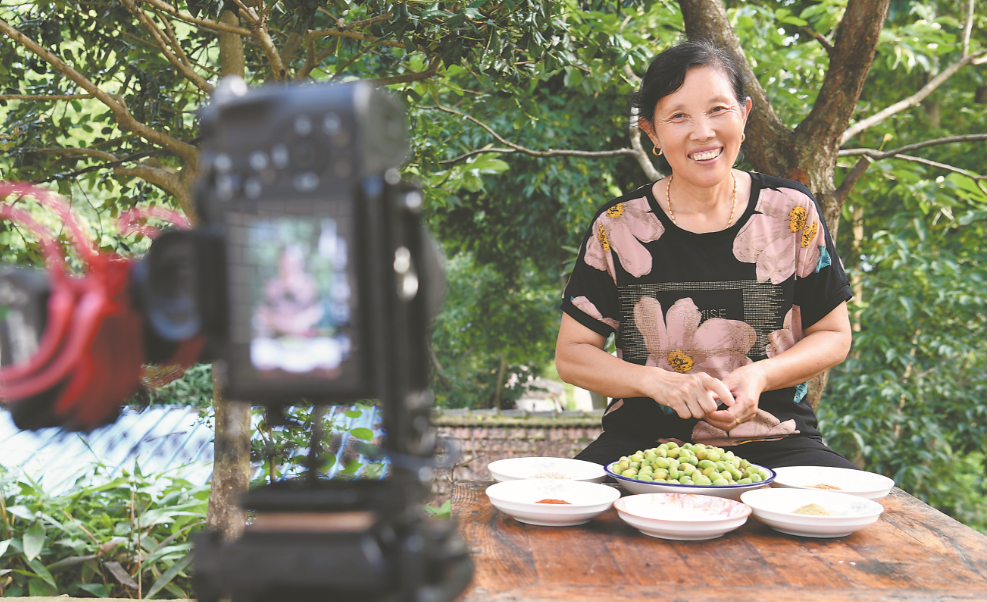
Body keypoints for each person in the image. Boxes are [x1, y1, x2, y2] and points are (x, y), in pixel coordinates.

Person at [555, 38, 857, 470]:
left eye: (718, 109)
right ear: (652, 133)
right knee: (562, 517)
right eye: (678, 116)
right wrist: (658, 383)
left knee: (851, 522)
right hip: (642, 445)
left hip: (778, 439)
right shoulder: (618, 226)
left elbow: (834, 334)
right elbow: (572, 354)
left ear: (745, 114)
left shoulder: (791, 211)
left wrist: (760, 374)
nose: (703, 132)